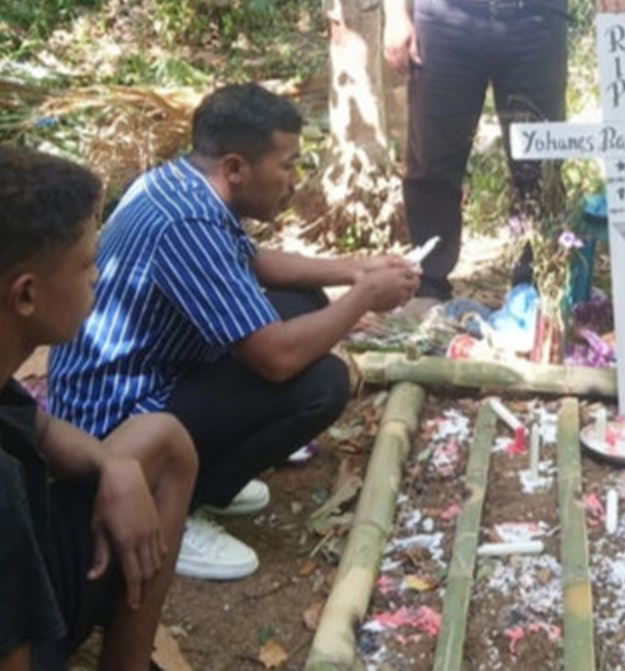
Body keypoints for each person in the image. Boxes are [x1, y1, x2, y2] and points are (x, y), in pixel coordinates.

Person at [49, 83, 419, 581]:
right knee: (320, 383)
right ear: (236, 168)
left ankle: (198, 471)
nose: (293, 180)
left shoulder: (182, 182)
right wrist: (364, 299)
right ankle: (177, 505)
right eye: (287, 165)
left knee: (301, 304)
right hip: (115, 424)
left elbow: (254, 263)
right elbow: (276, 359)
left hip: (146, 374)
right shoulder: (188, 224)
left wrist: (355, 269)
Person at [0, 146, 197, 670]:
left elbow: (40, 427)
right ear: (25, 296)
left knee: (161, 439)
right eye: (88, 264)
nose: (97, 278)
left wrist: (112, 465)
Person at [382, 0, 625, 312]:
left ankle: (535, 284)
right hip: (445, 11)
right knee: (432, 158)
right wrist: (395, 11)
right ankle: (428, 284)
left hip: (537, 15)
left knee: (539, 163)